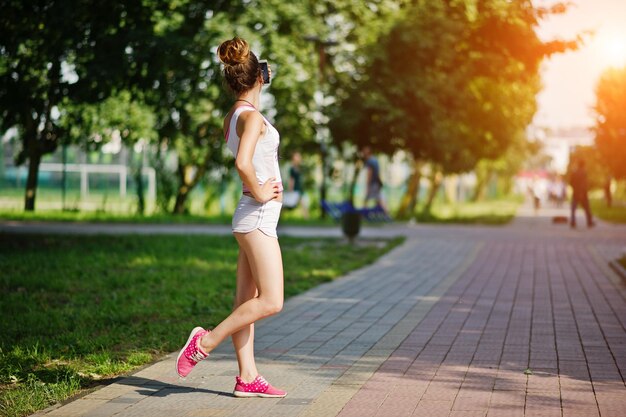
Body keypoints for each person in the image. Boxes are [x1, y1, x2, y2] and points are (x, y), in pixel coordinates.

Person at [175, 36, 286, 398]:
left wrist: (256, 190)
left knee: (245, 304)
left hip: (250, 218)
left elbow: (245, 158)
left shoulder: (233, 116)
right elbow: (243, 164)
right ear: (258, 78)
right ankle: (204, 342)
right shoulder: (252, 116)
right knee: (271, 301)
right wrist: (258, 190)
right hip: (257, 218)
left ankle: (247, 377)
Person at [569, 158, 595, 228]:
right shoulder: (584, 172)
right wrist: (582, 192)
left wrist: (575, 188)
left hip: (575, 193)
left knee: (573, 208)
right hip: (583, 193)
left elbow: (571, 182)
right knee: (587, 208)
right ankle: (589, 222)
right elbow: (584, 184)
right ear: (584, 165)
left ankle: (573, 221)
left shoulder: (574, 172)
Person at [284, 151, 309, 218]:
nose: (299, 157)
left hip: (299, 188)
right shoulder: (292, 168)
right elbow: (291, 179)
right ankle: (306, 218)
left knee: (303, 203)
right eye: (297, 156)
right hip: (295, 189)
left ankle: (306, 218)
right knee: (288, 204)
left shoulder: (298, 167)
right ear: (293, 158)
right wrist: (290, 189)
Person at [361, 146, 385, 210]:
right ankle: (385, 213)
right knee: (379, 198)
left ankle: (364, 213)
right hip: (377, 182)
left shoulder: (369, 161)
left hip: (373, 183)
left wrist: (367, 185)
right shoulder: (375, 159)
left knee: (367, 198)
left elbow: (369, 174)